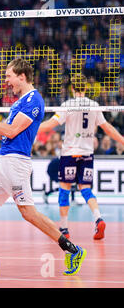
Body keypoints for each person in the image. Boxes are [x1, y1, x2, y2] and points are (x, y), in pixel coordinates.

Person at [0, 58, 86, 276]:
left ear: (22, 76)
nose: (6, 81)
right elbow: (2, 134)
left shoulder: (33, 101)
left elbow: (10, 132)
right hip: (4, 160)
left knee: (28, 213)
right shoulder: (19, 103)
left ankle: (71, 249)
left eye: (9, 76)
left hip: (17, 163)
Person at [38, 74, 124, 240]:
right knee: (85, 189)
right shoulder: (94, 105)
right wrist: (122, 139)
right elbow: (107, 128)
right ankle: (98, 217)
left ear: (72, 88)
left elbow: (51, 124)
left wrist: (30, 130)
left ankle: (64, 229)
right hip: (86, 154)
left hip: (70, 153)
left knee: (64, 190)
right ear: (85, 87)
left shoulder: (67, 105)